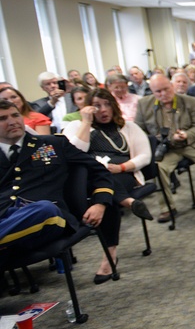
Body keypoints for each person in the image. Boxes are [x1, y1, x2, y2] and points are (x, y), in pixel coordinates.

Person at [0, 98, 113, 267]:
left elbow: (99, 170)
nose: (12, 121)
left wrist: (100, 203)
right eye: (2, 118)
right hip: (7, 222)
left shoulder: (53, 144)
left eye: (15, 115)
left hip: (48, 219)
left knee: (45, 208)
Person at [62, 88, 156, 282]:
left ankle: (109, 257)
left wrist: (121, 167)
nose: (103, 110)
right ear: (88, 108)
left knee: (104, 194)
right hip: (89, 178)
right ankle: (128, 202)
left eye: (107, 105)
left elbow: (145, 156)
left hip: (123, 174)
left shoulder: (129, 127)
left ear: (114, 107)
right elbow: (74, 153)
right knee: (102, 183)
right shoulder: (75, 126)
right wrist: (86, 123)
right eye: (97, 106)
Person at [134, 74, 195, 222]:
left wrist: (186, 134)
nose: (163, 94)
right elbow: (140, 131)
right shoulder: (144, 104)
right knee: (157, 168)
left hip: (193, 143)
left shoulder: (190, 101)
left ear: (172, 86)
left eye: (166, 89)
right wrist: (161, 139)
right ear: (152, 91)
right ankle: (167, 208)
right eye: (158, 91)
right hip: (166, 149)